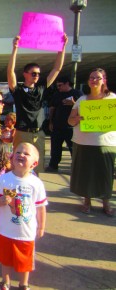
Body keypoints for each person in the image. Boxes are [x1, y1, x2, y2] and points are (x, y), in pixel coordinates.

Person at [7, 34, 68, 173]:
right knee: (19, 167)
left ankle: (35, 193)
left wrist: (62, 48)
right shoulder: (18, 90)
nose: (36, 76)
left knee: (37, 168)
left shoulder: (41, 89)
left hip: (39, 134)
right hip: (22, 133)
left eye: (38, 74)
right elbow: (10, 71)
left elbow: (57, 69)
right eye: (33, 73)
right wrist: (15, 48)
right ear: (25, 74)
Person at [0, 142, 47, 290]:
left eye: (26, 154)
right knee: (5, 259)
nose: (21, 154)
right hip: (5, 229)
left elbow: (41, 208)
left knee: (25, 261)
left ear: (34, 164)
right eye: (18, 152)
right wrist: (0, 201)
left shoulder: (36, 183)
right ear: (11, 157)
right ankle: (5, 281)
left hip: (25, 232)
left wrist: (41, 227)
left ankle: (24, 284)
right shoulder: (4, 179)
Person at [68, 68, 116, 217]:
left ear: (104, 80)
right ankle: (87, 201)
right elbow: (70, 121)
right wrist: (76, 119)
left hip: (106, 143)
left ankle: (106, 202)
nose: (94, 80)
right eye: (91, 77)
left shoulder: (112, 99)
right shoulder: (82, 100)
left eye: (98, 78)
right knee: (85, 174)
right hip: (83, 143)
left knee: (105, 174)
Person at [45, 76, 83, 172]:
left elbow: (84, 109)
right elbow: (52, 108)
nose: (59, 87)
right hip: (57, 125)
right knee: (55, 148)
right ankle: (53, 166)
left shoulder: (77, 93)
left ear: (67, 83)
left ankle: (76, 167)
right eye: (57, 86)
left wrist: (73, 103)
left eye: (60, 85)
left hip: (71, 127)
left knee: (73, 148)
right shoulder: (57, 95)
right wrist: (50, 122)